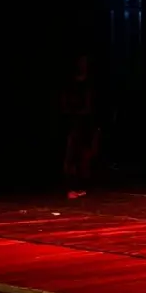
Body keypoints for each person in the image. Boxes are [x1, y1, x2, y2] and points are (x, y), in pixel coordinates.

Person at [62, 55, 98, 199]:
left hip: (85, 123)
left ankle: (80, 185)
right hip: (73, 121)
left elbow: (89, 105)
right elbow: (64, 103)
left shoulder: (89, 83)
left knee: (84, 156)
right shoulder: (70, 84)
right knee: (71, 155)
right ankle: (70, 186)